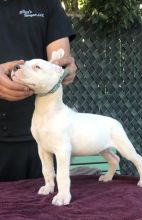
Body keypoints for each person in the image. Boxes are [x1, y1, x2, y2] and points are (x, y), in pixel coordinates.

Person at [0, 0, 76, 181]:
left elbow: (59, 58)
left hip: (42, 140)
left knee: (47, 203)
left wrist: (62, 68)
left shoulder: (47, 4)